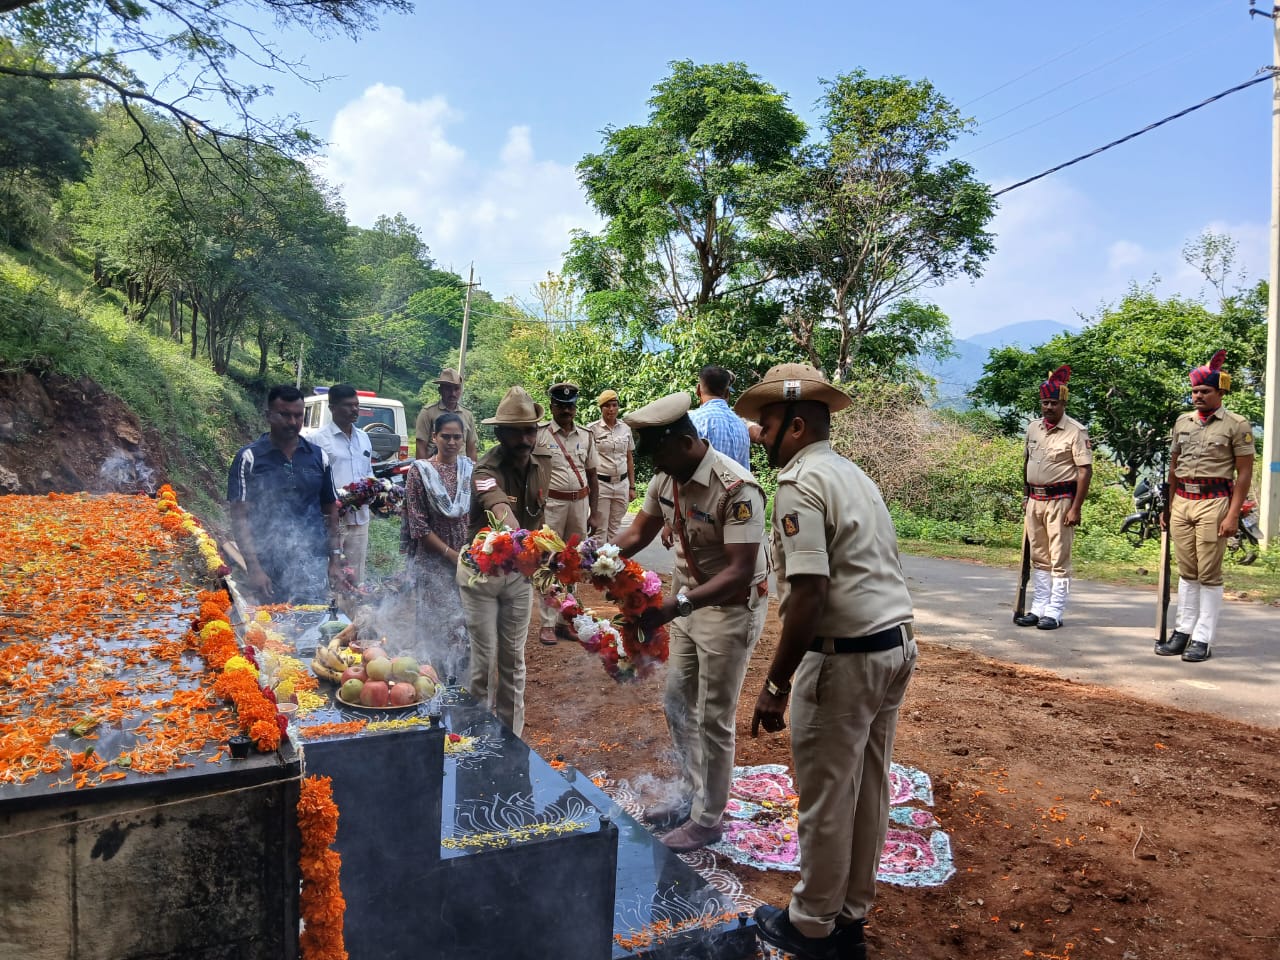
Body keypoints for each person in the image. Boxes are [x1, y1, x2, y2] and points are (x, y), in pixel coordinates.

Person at [736, 363, 917, 960]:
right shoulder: (851, 474)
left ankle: (813, 922)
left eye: (765, 424)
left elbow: (809, 592)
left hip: (844, 659)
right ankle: (848, 915)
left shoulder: (798, 483)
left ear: (793, 425)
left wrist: (775, 683)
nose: (758, 435)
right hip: (893, 647)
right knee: (868, 787)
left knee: (826, 796)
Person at [613, 391, 768, 853]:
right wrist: (594, 559)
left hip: (730, 608)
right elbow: (639, 532)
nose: (653, 466)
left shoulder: (737, 488)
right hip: (687, 604)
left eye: (657, 454)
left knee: (715, 717)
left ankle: (708, 817)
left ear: (683, 441)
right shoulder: (668, 475)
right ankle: (690, 793)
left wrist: (672, 607)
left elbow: (739, 572)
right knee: (677, 702)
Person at [456, 387, 552, 736]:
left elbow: (538, 520)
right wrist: (528, 543)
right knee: (484, 667)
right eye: (516, 431)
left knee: (514, 663)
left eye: (530, 430)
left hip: (518, 576)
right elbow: (503, 513)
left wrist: (548, 558)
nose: (525, 439)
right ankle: (475, 742)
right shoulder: (484, 469)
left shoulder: (544, 465)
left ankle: (512, 743)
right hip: (481, 578)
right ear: (499, 433)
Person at [1155, 350, 1255, 663]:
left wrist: (1233, 513)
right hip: (1183, 500)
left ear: (1220, 392)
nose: (1198, 396)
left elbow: (1244, 473)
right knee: (1188, 571)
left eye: (1205, 391)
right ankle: (1182, 631)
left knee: (1209, 573)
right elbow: (1173, 467)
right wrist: (1168, 507)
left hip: (1215, 502)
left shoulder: (1236, 425)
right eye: (1195, 391)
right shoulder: (1182, 422)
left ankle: (1202, 637)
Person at [228, 385, 342, 604]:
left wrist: (335, 559)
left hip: (312, 562)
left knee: (313, 626)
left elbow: (331, 510)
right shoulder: (249, 458)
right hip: (269, 566)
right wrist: (254, 568)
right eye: (284, 415)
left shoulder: (318, 457)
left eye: (298, 415)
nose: (292, 422)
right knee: (272, 630)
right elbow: (239, 517)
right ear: (269, 415)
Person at [1013, 365, 1093, 631]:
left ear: (1063, 403)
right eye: (1045, 402)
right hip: (1035, 500)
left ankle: (1055, 611)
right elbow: (1026, 463)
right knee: (1039, 556)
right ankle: (1038, 608)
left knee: (1059, 558)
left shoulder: (1075, 431)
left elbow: (1084, 471)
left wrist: (1076, 507)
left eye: (1053, 403)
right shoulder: (1033, 428)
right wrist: (1026, 495)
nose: (1048, 407)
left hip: (1061, 501)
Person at [403, 412, 473, 678]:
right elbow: (419, 527)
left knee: (462, 622)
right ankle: (434, 683)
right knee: (435, 625)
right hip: (433, 562)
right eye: (446, 436)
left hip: (466, 560)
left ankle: (459, 687)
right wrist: (451, 555)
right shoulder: (420, 473)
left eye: (457, 437)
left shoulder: (468, 470)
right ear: (434, 437)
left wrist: (468, 555)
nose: (452, 442)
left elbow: (474, 517)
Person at [534, 382, 601, 645]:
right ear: (552, 406)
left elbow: (593, 477)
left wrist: (594, 513)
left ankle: (567, 620)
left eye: (570, 406)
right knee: (549, 563)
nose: (566, 410)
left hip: (579, 505)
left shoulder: (586, 436)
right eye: (561, 406)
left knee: (574, 563)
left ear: (575, 408)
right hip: (551, 506)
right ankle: (548, 623)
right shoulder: (541, 435)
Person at [303, 384, 375, 585]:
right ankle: (330, 614)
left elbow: (369, 472)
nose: (354, 410)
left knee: (355, 577)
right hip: (332, 522)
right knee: (330, 574)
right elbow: (312, 483)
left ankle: (351, 615)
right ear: (333, 408)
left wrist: (373, 489)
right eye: (348, 405)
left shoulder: (364, 438)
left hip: (360, 519)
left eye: (356, 405)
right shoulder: (317, 440)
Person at [587, 389, 635, 542]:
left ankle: (611, 564)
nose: (611, 409)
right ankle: (597, 564)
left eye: (614, 405)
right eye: (607, 406)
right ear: (601, 408)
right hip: (601, 485)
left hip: (621, 484)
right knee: (600, 531)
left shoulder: (625, 429)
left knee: (615, 530)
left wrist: (632, 487)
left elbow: (629, 458)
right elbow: (586, 461)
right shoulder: (591, 429)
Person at [689, 365, 751, 469]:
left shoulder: (692, 419)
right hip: (741, 485)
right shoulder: (742, 426)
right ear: (727, 393)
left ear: (698, 389)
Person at [415, 368, 478, 462]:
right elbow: (420, 446)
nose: (453, 393)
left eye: (456, 389)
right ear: (440, 390)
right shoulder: (427, 413)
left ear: (461, 390)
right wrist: (423, 470)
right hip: (434, 466)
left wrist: (473, 472)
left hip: (461, 469)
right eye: (448, 389)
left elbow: (471, 447)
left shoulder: (467, 415)